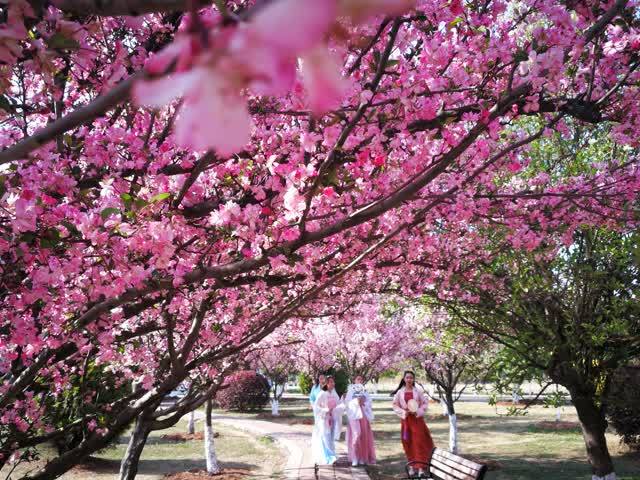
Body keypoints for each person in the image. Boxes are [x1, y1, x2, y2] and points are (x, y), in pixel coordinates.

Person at [392, 371, 434, 477]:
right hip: (406, 422)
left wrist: (418, 411)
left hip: (417, 421)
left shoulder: (418, 391)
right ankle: (411, 466)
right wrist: (403, 412)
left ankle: (420, 468)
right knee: (408, 443)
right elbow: (395, 405)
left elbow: (425, 403)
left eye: (411, 378)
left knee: (418, 443)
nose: (409, 379)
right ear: (404, 379)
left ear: (413, 379)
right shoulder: (400, 392)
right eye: (407, 377)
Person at [311, 376, 344, 465]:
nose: (333, 384)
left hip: (332, 419)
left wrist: (341, 403)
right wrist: (324, 410)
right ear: (326, 384)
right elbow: (316, 406)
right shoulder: (322, 393)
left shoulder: (334, 394)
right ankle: (330, 458)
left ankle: (331, 455)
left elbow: (339, 404)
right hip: (324, 420)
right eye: (331, 382)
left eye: (333, 382)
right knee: (326, 437)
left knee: (331, 438)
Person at [345, 375, 376, 467]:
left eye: (361, 379)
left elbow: (369, 402)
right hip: (354, 415)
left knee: (363, 435)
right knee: (356, 434)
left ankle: (362, 457)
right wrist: (355, 402)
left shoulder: (364, 391)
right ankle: (355, 457)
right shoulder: (351, 390)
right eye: (358, 378)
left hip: (363, 415)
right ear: (354, 380)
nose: (360, 380)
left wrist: (364, 403)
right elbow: (347, 402)